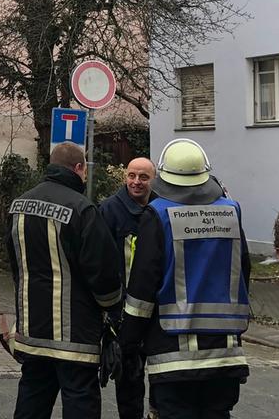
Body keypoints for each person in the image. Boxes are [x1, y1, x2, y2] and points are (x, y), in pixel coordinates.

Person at [119, 139, 250, 419]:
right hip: (225, 354)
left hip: (172, 357)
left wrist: (128, 342)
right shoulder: (231, 211)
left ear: (163, 175)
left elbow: (142, 289)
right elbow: (244, 272)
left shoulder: (157, 215)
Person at [6, 142, 122, 419]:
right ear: (79, 168)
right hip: (76, 333)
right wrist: (112, 308)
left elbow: (15, 263)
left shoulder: (19, 205)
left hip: (32, 328)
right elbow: (103, 271)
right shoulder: (83, 209)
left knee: (33, 395)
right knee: (80, 398)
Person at [99, 157, 157, 419]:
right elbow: (102, 263)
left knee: (160, 376)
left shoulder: (159, 208)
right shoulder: (110, 210)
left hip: (156, 310)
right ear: (125, 177)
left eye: (143, 177)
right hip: (123, 313)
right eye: (132, 176)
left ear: (152, 179)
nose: (136, 182)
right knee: (129, 380)